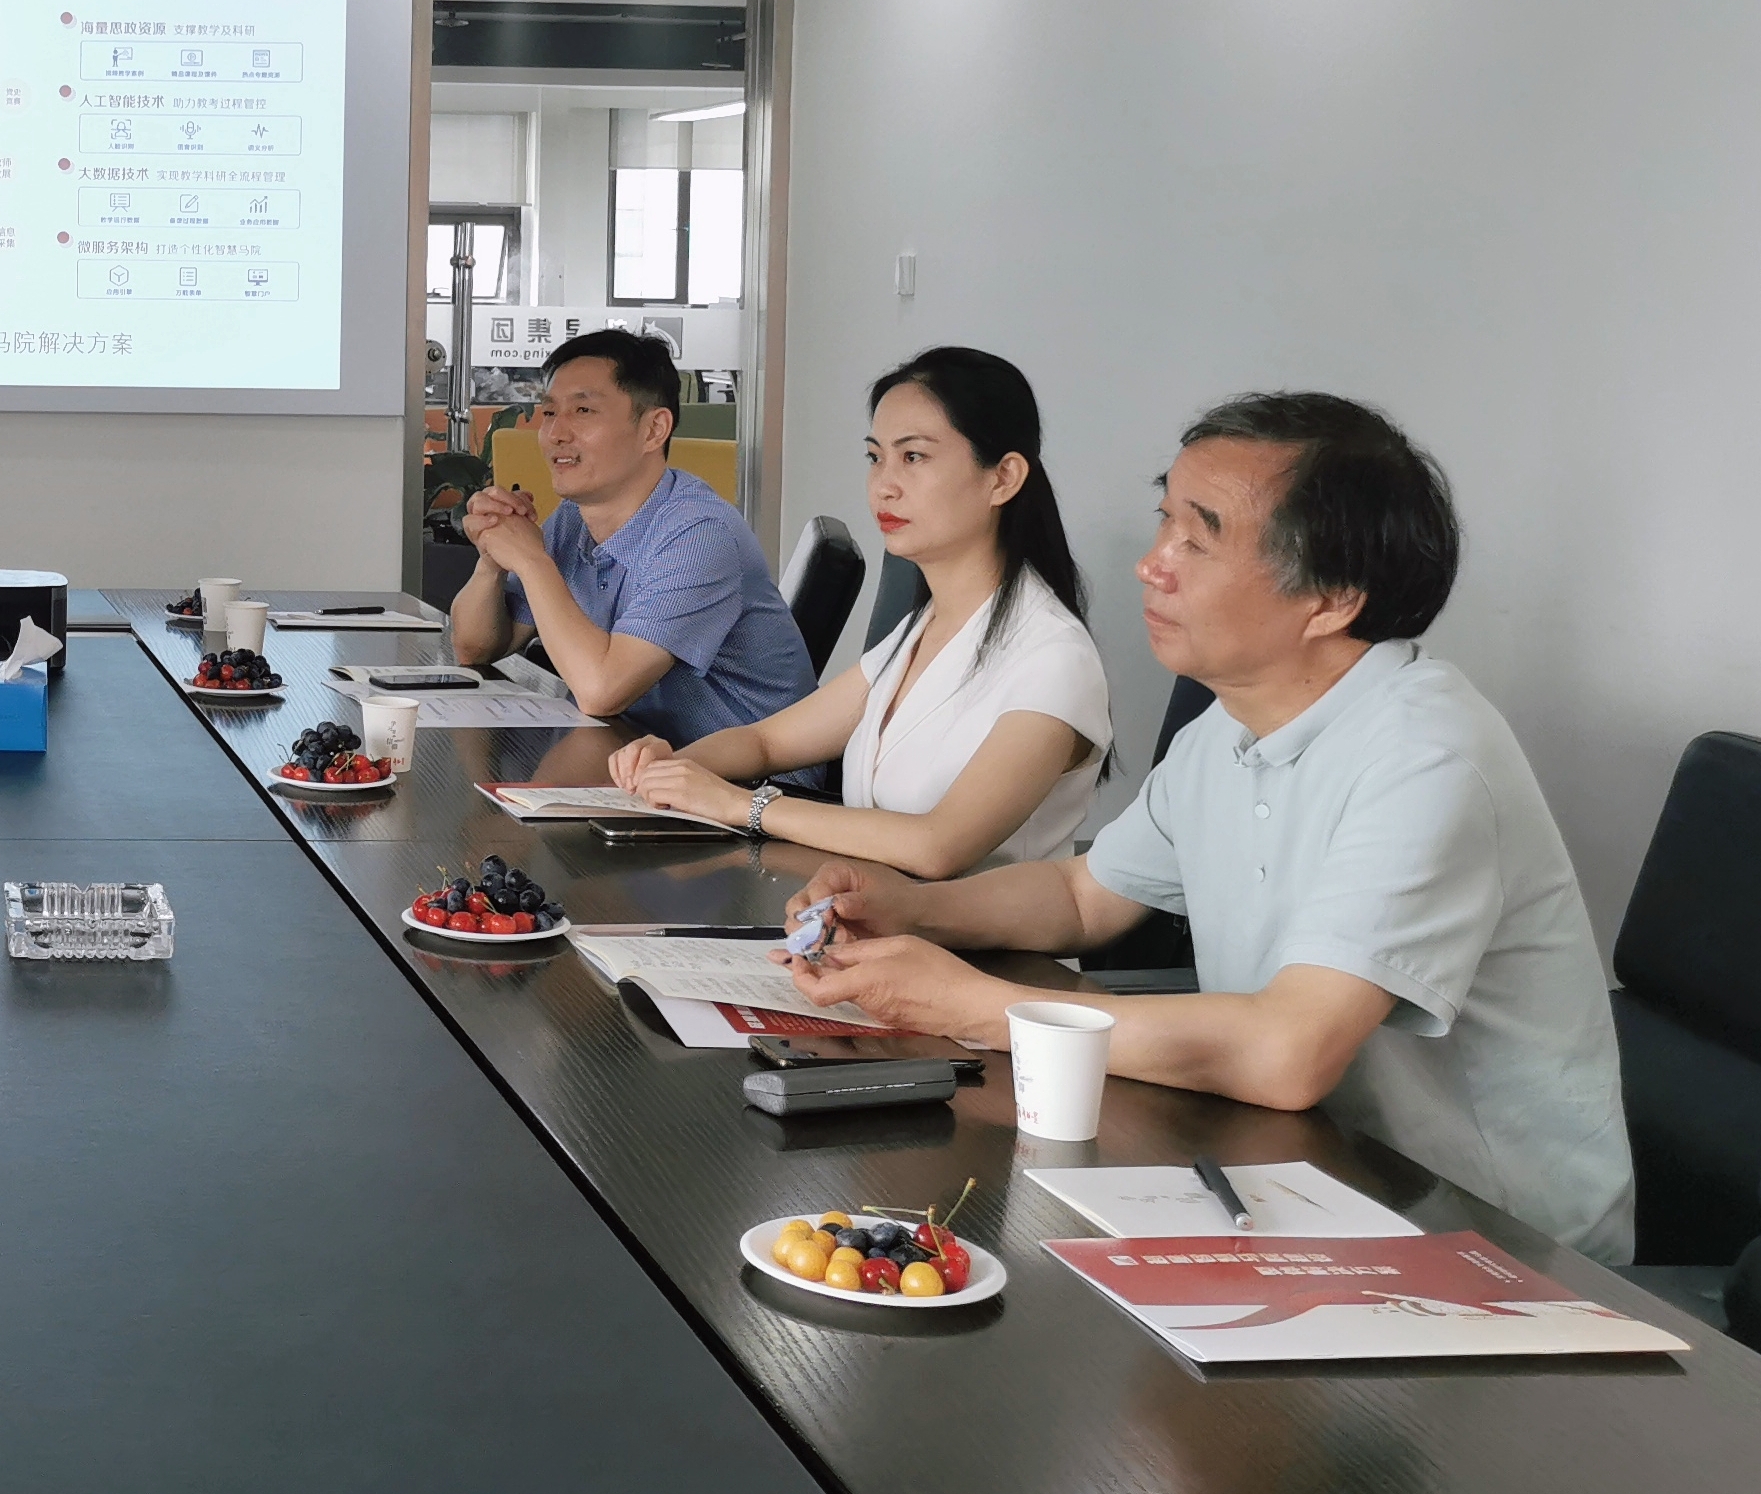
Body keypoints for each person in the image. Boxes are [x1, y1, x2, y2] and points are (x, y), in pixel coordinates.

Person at [782, 393, 1633, 1260]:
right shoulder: (1228, 725)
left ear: (1330, 598)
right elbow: (1083, 897)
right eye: (1165, 523)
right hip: (1292, 1176)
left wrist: (972, 1004)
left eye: (1198, 539)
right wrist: (913, 909)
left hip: (1485, 1241)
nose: (1152, 565)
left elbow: (1289, 1052)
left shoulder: (1425, 756)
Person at [606, 348, 1112, 873]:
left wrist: (741, 806)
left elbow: (938, 845)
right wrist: (672, 766)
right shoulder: (927, 627)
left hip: (974, 928)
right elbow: (766, 741)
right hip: (868, 909)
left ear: (1003, 477)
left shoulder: (1054, 659)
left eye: (913, 457)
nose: (883, 485)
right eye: (876, 458)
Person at [449, 329, 816, 741]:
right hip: (635, 752)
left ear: (654, 429)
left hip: (740, 774)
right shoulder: (573, 519)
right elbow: (474, 649)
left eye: (583, 410)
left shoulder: (699, 536)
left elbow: (601, 692)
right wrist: (492, 560)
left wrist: (531, 560)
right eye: (549, 412)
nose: (556, 433)